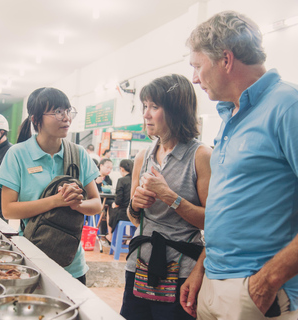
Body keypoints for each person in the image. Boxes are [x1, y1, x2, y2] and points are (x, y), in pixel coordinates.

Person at [180, 11, 298, 320]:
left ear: (226, 60)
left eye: (197, 66)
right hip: (215, 280)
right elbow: (228, 205)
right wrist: (202, 267)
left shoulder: (288, 107)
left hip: (257, 288)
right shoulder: (229, 116)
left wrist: (268, 279)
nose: (195, 78)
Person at [121, 74, 212, 320]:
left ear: (176, 110)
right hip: (139, 265)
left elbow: (212, 222)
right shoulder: (142, 157)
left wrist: (170, 197)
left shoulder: (201, 156)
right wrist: (135, 205)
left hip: (181, 269)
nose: (146, 114)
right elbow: (135, 219)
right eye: (144, 107)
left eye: (154, 107)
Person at [0, 87, 102, 284]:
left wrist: (75, 204)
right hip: (33, 256)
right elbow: (8, 210)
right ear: (36, 119)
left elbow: (96, 204)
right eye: (57, 112)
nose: (66, 117)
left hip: (72, 262)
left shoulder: (78, 154)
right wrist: (55, 201)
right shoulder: (18, 154)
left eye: (68, 111)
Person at [105, 159, 133, 243]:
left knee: (110, 209)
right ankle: (123, 239)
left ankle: (110, 235)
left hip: (123, 214)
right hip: (134, 213)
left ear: (122, 169)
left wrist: (115, 204)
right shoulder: (136, 180)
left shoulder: (122, 180)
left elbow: (118, 201)